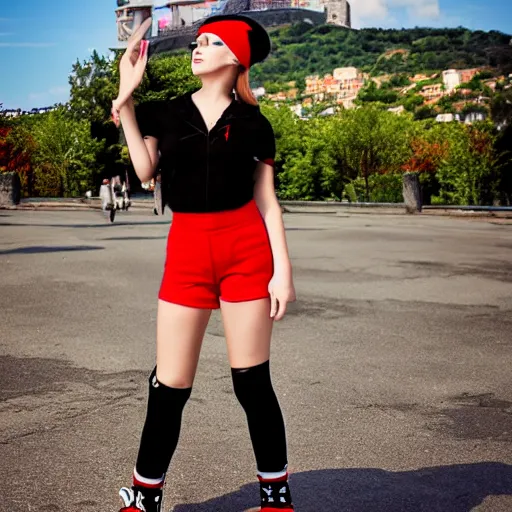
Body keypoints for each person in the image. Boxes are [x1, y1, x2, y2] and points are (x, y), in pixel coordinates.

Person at [112, 14, 296, 512]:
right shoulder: (165, 114)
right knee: (169, 385)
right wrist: (126, 100)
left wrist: (283, 271)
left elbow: (268, 202)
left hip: (245, 252)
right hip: (188, 252)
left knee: (252, 383)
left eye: (212, 43)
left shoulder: (255, 124)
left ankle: (275, 497)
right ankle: (145, 494)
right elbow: (144, 170)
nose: (198, 47)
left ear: (237, 59)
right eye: (198, 40)